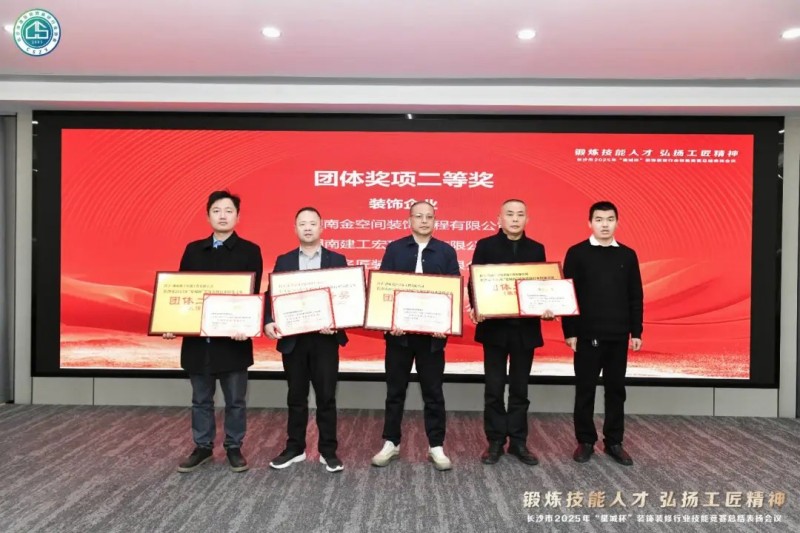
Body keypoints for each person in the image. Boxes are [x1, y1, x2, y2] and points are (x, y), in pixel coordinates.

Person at [168, 190, 263, 473]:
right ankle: (203, 447)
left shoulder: (250, 251)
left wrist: (245, 325)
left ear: (238, 216)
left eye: (229, 211)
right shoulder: (193, 250)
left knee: (236, 401)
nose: (223, 216)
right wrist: (172, 322)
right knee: (200, 399)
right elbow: (182, 293)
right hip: (200, 342)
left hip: (234, 340)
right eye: (217, 211)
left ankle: (234, 447)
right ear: (208, 215)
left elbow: (251, 296)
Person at [370, 201, 460, 471]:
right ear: (409, 220)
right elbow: (384, 288)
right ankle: (391, 442)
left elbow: (454, 292)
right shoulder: (395, 249)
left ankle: (436, 445)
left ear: (435, 221)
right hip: (399, 336)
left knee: (433, 393)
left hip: (432, 338)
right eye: (418, 216)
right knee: (395, 391)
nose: (424, 221)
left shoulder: (446, 251)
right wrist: (389, 321)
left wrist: (445, 323)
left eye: (429, 217)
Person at [468, 199, 553, 466]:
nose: (515, 219)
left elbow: (542, 286)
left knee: (520, 389)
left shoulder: (536, 249)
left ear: (527, 219)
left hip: (525, 331)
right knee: (494, 389)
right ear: (499, 219)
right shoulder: (485, 246)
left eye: (520, 215)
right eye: (510, 214)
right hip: (494, 329)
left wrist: (547, 306)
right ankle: (495, 441)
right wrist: (477, 306)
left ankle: (518, 441)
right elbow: (474, 281)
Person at [264, 207, 348, 473]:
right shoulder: (285, 260)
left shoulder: (337, 259)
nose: (308, 228)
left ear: (322, 227)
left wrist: (337, 322)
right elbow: (271, 295)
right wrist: (268, 320)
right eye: (302, 224)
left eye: (313, 223)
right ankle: (295, 448)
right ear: (295, 228)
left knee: (326, 397)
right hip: (295, 340)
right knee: (296, 396)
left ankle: (328, 451)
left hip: (325, 340)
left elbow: (346, 298)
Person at [563, 201, 643, 466]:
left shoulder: (627, 255)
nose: (604, 224)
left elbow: (635, 295)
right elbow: (568, 294)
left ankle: (614, 442)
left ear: (617, 222)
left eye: (609, 219)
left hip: (618, 335)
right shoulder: (577, 253)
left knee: (616, 391)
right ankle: (585, 441)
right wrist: (570, 331)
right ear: (590, 223)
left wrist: (636, 331)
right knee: (585, 390)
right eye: (599, 219)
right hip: (586, 336)